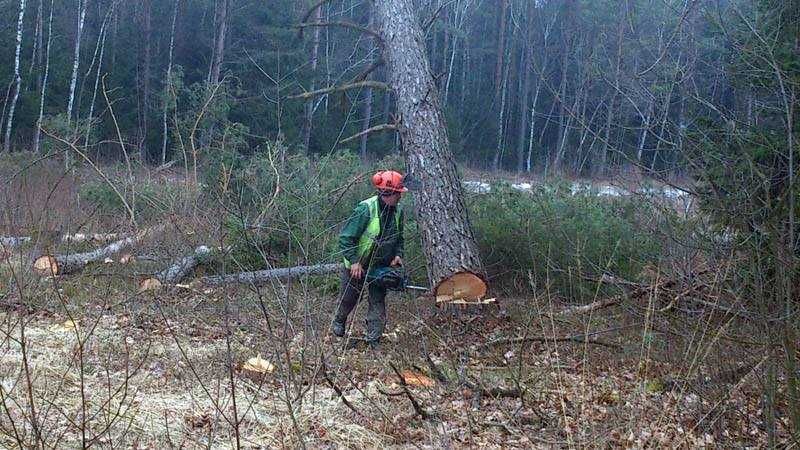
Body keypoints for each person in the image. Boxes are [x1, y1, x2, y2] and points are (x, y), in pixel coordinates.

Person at [332, 170, 407, 349]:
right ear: (387, 193)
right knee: (349, 298)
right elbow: (346, 238)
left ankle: (374, 339)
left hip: (381, 265)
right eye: (398, 194)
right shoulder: (365, 209)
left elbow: (399, 238)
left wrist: (398, 255)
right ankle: (339, 322)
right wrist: (354, 261)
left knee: (377, 301)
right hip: (359, 263)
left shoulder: (397, 212)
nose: (400, 197)